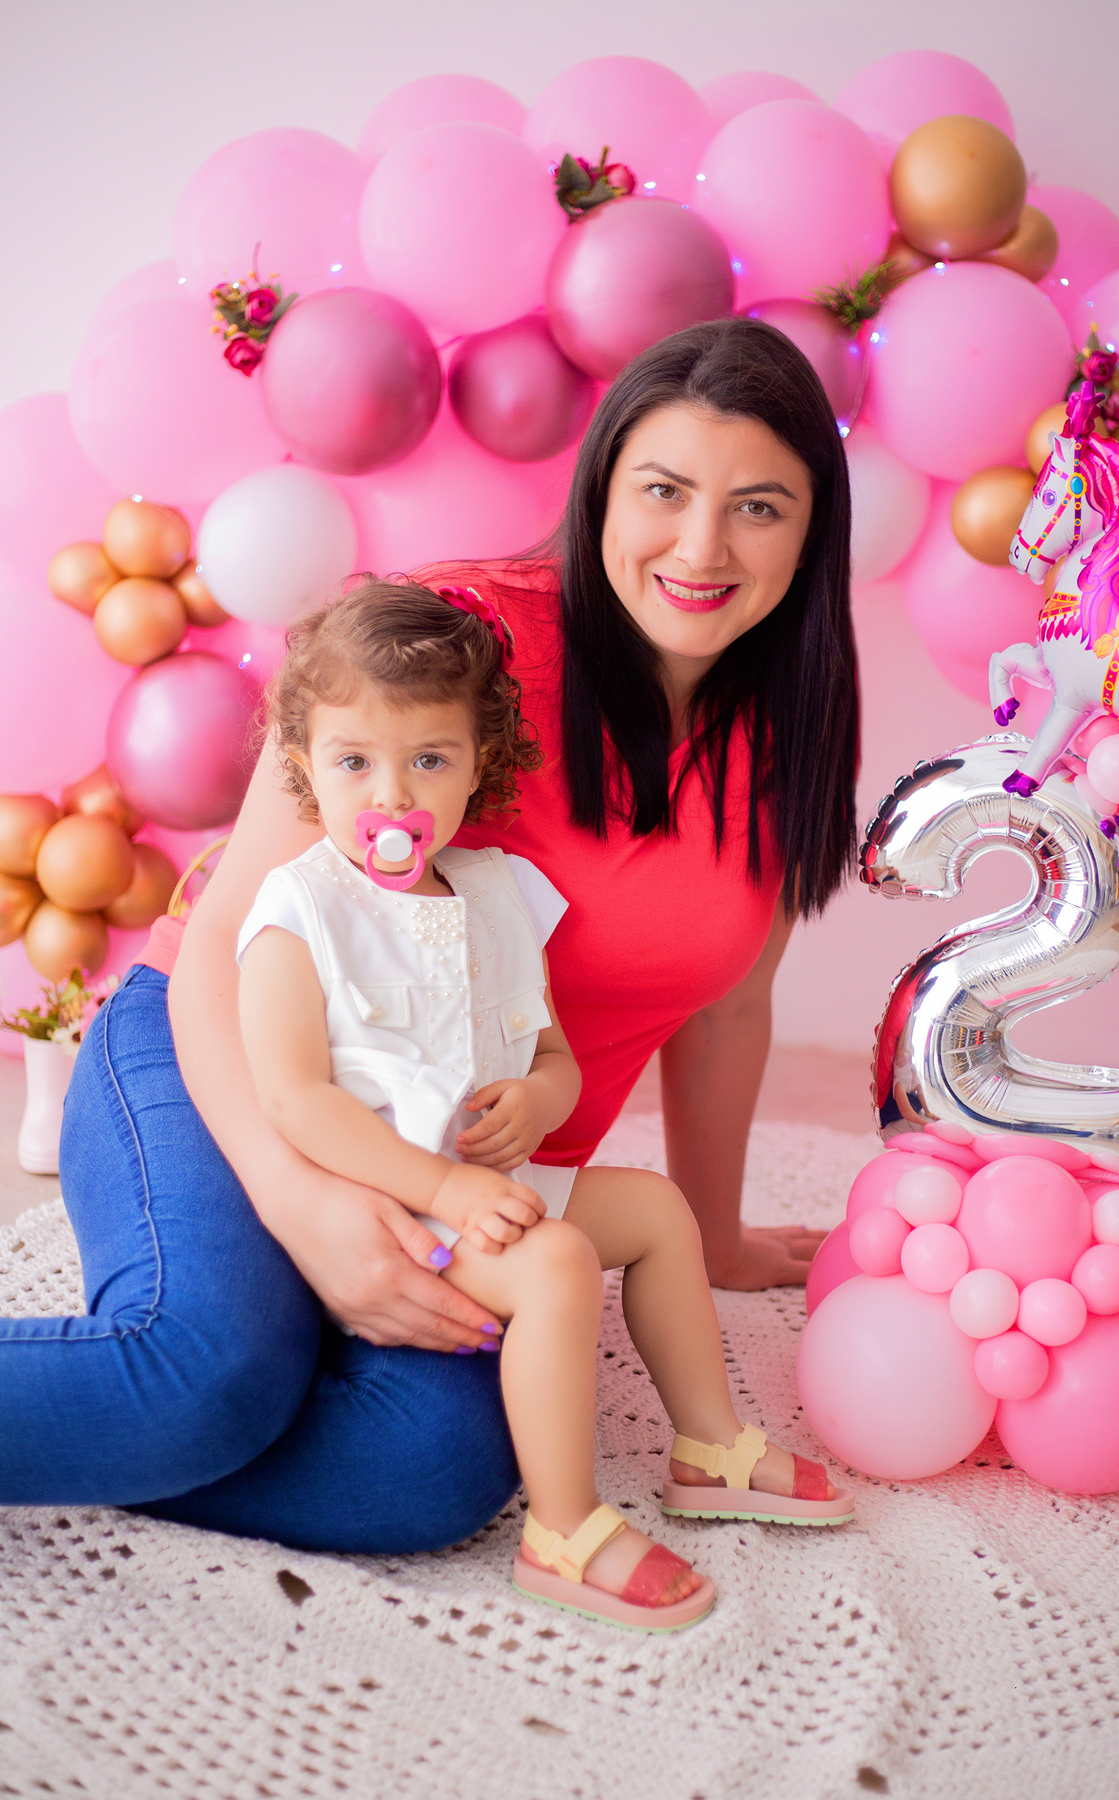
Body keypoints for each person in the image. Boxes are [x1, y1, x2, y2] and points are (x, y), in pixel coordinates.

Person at [0, 318, 858, 1553]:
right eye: (664, 491)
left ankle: (153, 1418)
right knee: (205, 1375)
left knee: (428, 1473)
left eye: (760, 507)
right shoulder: (457, 645)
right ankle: (183, 1391)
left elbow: (723, 1006)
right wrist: (303, 1206)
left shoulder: (789, 739)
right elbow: (227, 950)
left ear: (810, 532)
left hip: (466, 1176)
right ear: (602, 487)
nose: (702, 547)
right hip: (224, 1063)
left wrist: (710, 1237)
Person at [236, 578, 852, 1628]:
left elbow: (555, 1053)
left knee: (657, 1215)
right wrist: (444, 1185)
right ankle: (565, 1528)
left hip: (494, 1181)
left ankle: (706, 1441)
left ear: (482, 765)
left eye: (428, 760)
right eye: (354, 763)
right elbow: (296, 1101)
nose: (393, 794)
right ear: (305, 768)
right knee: (562, 1262)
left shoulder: (493, 892)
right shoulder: (302, 909)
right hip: (397, 1200)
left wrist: (535, 1096)